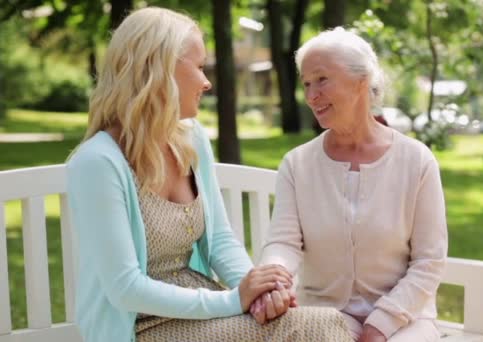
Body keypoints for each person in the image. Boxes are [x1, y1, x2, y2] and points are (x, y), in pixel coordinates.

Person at [66, 7, 351, 342]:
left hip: (204, 311)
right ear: (160, 68)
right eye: (199, 66)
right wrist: (233, 298)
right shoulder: (98, 162)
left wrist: (258, 293)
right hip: (141, 327)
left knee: (317, 324)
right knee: (318, 328)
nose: (206, 81)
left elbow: (219, 241)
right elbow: (125, 288)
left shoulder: (189, 137)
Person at [258, 27, 448, 342]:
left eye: (322, 80)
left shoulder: (417, 161)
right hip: (325, 318)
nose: (311, 95)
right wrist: (274, 277)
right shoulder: (297, 164)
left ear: (361, 81)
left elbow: (429, 261)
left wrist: (380, 325)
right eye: (306, 84)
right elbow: (284, 243)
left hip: (404, 319)